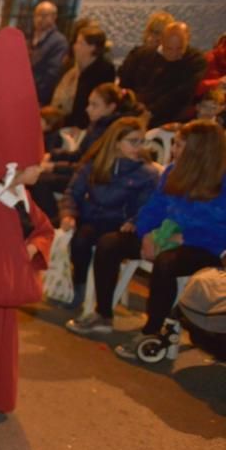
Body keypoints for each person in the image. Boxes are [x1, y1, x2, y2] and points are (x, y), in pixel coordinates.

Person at [66, 120, 226, 352]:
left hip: (205, 247)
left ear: (197, 151)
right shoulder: (173, 171)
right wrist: (145, 233)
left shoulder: (221, 181)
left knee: (167, 262)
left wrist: (183, 237)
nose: (174, 150)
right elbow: (154, 207)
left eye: (180, 146)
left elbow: (219, 228)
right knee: (109, 243)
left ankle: (151, 332)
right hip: (164, 236)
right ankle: (103, 315)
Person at [0, 27, 54, 421]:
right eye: (37, 161)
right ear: (18, 165)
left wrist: (35, 246)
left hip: (7, 293)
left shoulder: (22, 198)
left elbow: (43, 228)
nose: (43, 166)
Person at [60, 116, 161, 312]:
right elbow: (73, 192)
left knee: (108, 244)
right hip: (94, 218)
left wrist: (135, 221)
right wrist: (68, 213)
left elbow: (148, 206)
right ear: (115, 142)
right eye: (133, 141)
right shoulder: (95, 164)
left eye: (142, 141)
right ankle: (79, 284)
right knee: (80, 239)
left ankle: (100, 306)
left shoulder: (146, 173)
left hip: (122, 225)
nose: (139, 147)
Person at [32, 84, 144, 223]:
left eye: (94, 105)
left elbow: (91, 165)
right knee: (36, 175)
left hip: (95, 178)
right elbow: (80, 154)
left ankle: (53, 219)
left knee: (39, 180)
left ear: (111, 107)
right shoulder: (96, 125)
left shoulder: (111, 131)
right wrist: (53, 155)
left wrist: (54, 167)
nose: (87, 109)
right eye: (89, 103)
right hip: (81, 171)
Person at [118, 22, 207, 127]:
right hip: (133, 112)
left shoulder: (195, 61)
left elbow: (181, 94)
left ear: (187, 41)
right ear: (161, 42)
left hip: (169, 118)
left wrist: (150, 112)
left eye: (180, 48)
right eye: (169, 49)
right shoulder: (141, 55)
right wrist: (133, 105)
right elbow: (125, 82)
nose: (174, 54)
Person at [66, 25, 115, 129]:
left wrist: (80, 126)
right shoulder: (76, 66)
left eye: (80, 43)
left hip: (88, 125)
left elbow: (99, 103)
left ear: (92, 47)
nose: (75, 46)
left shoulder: (104, 70)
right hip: (72, 121)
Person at [30, 1, 68, 105]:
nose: (39, 19)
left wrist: (38, 94)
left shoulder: (58, 41)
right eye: (36, 15)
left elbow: (53, 73)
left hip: (40, 97)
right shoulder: (30, 37)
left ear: (54, 17)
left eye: (44, 15)